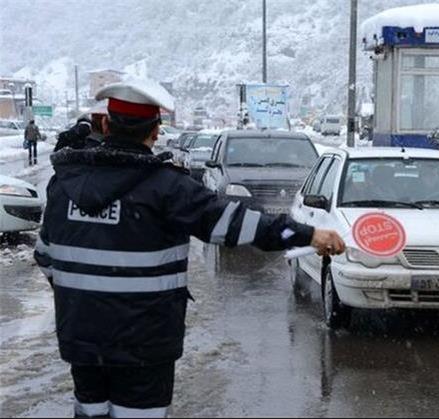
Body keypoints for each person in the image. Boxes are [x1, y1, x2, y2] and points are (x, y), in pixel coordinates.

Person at [33, 79, 345, 418]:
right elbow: (239, 225)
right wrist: (308, 235)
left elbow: (45, 257)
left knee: (89, 412)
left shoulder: (65, 185)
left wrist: (88, 300)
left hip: (82, 340)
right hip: (144, 345)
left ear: (106, 125)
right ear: (154, 132)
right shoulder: (168, 188)